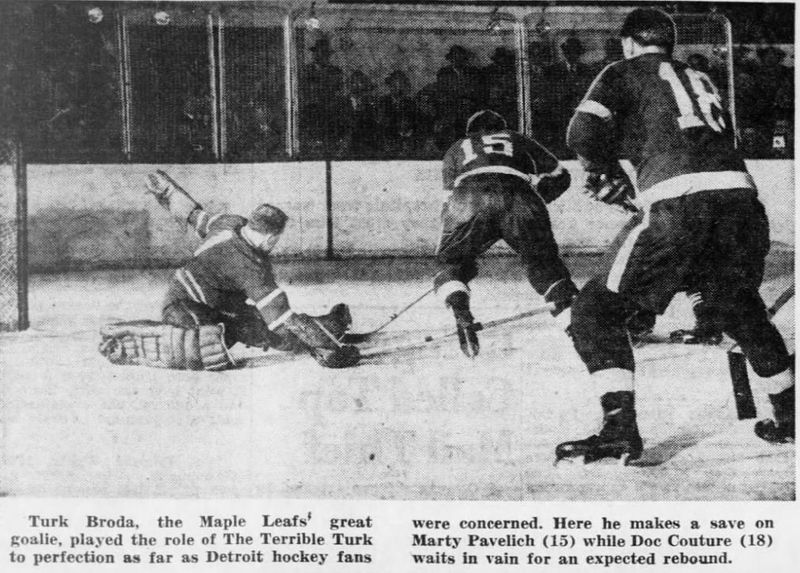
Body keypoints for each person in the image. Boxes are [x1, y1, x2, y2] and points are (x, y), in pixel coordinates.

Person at [558, 8, 793, 463]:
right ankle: (790, 413)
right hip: (741, 202)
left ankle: (618, 429)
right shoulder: (697, 75)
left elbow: (581, 131)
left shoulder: (622, 70)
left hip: (680, 202)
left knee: (593, 312)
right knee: (737, 307)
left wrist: (602, 171)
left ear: (628, 42)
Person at [100, 171, 359, 370]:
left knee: (259, 328)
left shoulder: (230, 223)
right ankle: (150, 337)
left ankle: (326, 327)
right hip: (186, 309)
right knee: (210, 344)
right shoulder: (250, 267)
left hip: (205, 300)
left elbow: (194, 215)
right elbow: (285, 320)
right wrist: (330, 350)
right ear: (270, 238)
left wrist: (168, 192)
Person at [434, 110, 578, 357]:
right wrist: (537, 200)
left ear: (471, 132)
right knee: (545, 266)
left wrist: (462, 236)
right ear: (502, 127)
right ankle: (579, 327)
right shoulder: (515, 138)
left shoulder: (457, 147)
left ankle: (460, 310)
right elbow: (561, 175)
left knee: (451, 263)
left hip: (468, 198)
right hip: (520, 197)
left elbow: (448, 201)